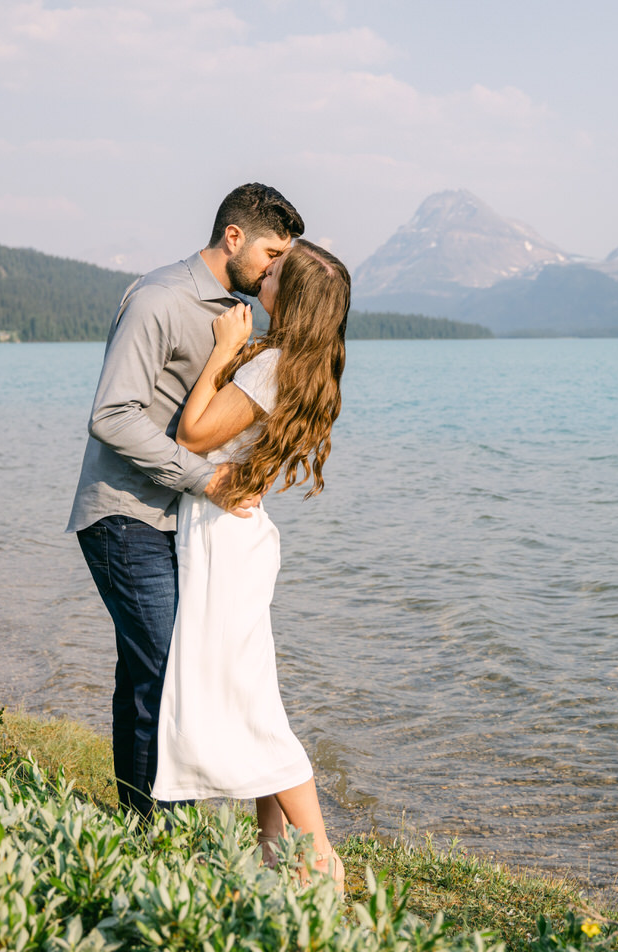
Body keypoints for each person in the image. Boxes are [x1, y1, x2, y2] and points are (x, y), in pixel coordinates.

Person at [68, 183, 302, 818]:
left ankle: (141, 828)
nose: (277, 268)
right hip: (127, 513)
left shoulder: (237, 310)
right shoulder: (159, 299)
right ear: (234, 238)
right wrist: (208, 481)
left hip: (185, 526)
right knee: (169, 672)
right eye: (273, 254)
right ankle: (159, 843)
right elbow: (111, 416)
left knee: (147, 675)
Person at [150, 240, 352, 892]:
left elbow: (192, 436)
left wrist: (218, 351)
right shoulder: (293, 364)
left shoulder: (273, 367)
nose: (263, 276)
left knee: (252, 709)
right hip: (231, 538)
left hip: (228, 546)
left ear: (289, 298)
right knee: (245, 697)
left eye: (275, 274)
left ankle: (320, 857)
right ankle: (276, 865)